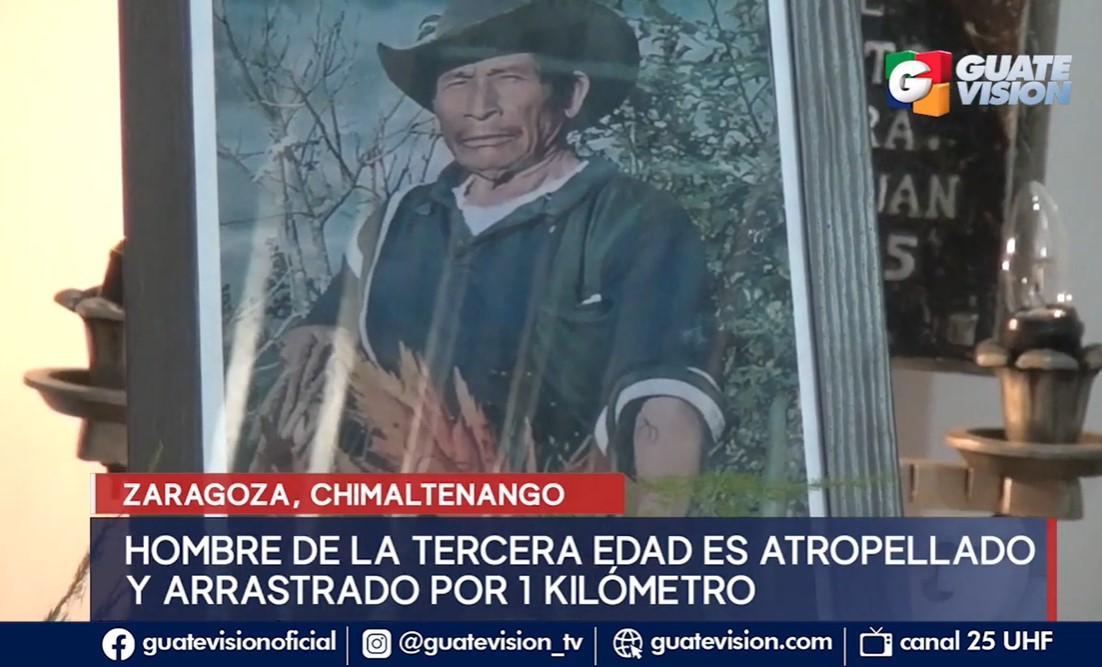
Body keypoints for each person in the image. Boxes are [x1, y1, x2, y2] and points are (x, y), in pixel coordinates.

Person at [251, 0, 726, 515]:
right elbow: (320, 343)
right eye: (457, 81)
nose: (480, 105)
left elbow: (666, 404)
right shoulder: (395, 226)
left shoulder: (630, 221)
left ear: (570, 93)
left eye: (508, 77)